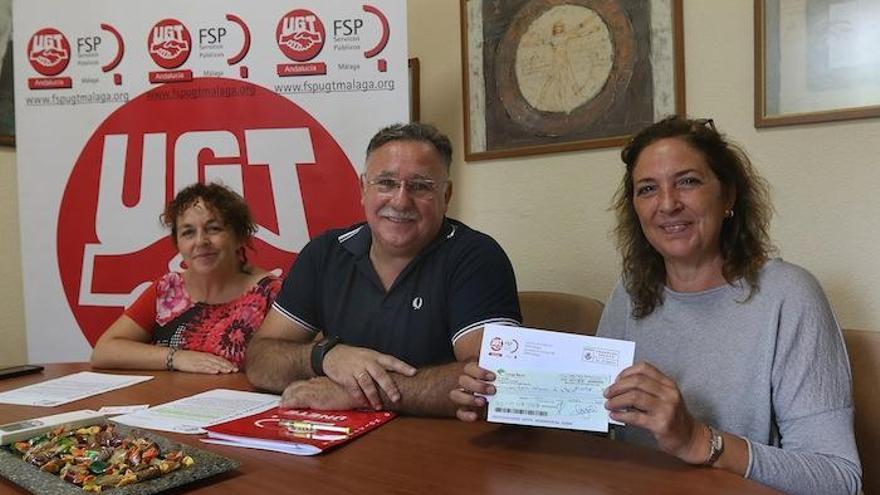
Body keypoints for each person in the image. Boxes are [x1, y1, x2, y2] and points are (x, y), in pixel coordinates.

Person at [451, 116, 862, 494]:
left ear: (728, 195)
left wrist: (699, 440)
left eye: (687, 182)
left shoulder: (790, 296)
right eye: (648, 189)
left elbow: (838, 478)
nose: (667, 204)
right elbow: (597, 430)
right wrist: (515, 406)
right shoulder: (630, 291)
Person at [246, 122, 520, 415]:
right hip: (337, 444)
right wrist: (324, 356)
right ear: (363, 189)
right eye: (386, 183)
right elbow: (259, 360)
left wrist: (359, 392)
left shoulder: (476, 256)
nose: (401, 201)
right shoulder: (325, 253)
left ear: (446, 196)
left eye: (420, 186)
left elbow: (491, 380)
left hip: (442, 447)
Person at [91, 182, 281, 374]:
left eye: (213, 228)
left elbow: (296, 361)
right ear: (178, 244)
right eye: (188, 232)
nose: (200, 241)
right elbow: (103, 351)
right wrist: (176, 357)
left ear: (239, 237)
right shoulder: (168, 289)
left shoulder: (271, 293)